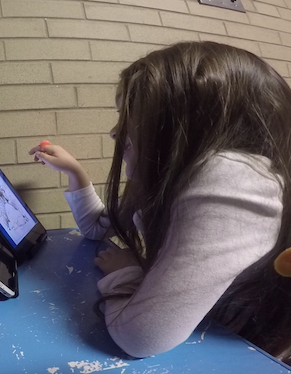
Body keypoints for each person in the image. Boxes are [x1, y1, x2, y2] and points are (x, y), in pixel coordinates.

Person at [29, 41, 291, 364]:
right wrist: (74, 171)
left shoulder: (232, 178)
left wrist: (128, 273)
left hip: (251, 353)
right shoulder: (166, 173)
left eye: (129, 117)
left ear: (186, 122)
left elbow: (140, 335)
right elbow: (98, 227)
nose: (115, 132)